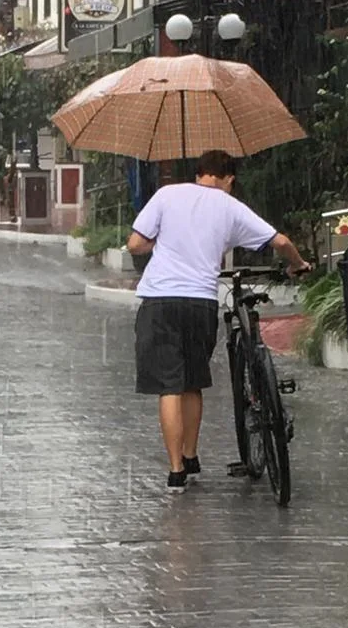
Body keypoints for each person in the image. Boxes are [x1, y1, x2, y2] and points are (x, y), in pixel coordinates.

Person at [126, 150, 310, 493]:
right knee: (193, 381)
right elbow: (280, 241)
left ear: (199, 173)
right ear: (228, 178)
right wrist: (297, 264)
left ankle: (176, 470)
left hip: (159, 301)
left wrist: (156, 240)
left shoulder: (167, 195)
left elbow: (135, 244)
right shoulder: (229, 206)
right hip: (200, 302)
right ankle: (192, 454)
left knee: (170, 386)